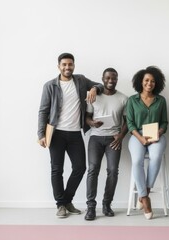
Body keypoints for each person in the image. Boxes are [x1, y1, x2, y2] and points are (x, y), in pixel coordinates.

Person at [37, 53, 103, 218]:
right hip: (56, 133)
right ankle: (60, 204)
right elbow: (43, 111)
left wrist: (94, 88)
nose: (67, 67)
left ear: (74, 65)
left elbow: (100, 85)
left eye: (70, 64)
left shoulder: (80, 80)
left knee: (80, 168)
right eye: (64, 64)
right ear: (58, 66)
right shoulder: (50, 86)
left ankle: (66, 200)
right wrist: (41, 134)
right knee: (56, 169)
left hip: (75, 133)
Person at [84, 68, 128, 220]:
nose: (111, 81)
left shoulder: (123, 98)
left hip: (113, 140)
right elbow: (87, 117)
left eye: (114, 78)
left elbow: (127, 122)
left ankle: (107, 204)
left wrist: (120, 137)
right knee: (92, 170)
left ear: (117, 79)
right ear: (102, 79)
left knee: (113, 170)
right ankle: (90, 207)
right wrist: (92, 123)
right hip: (95, 138)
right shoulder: (94, 95)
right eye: (108, 78)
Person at [126, 66, 168, 220]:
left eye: (152, 81)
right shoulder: (132, 100)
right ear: (141, 82)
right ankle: (145, 199)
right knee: (137, 161)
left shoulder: (161, 100)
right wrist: (140, 138)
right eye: (146, 80)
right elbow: (130, 124)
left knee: (155, 158)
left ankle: (144, 194)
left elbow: (164, 122)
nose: (149, 83)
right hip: (137, 136)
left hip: (156, 135)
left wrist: (159, 133)